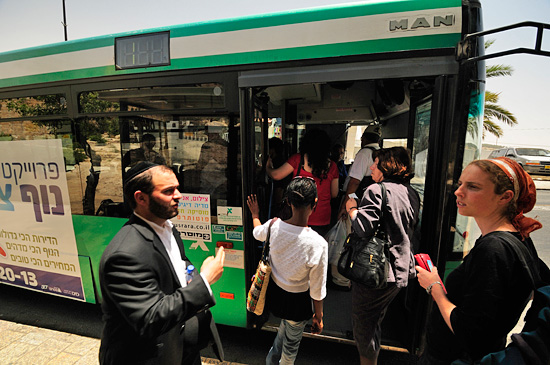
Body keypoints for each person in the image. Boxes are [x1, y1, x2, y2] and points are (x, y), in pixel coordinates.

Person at [416, 157, 544, 364]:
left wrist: (434, 286)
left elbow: (470, 333)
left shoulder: (493, 249)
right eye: (460, 184)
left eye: (473, 187)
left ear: (505, 197)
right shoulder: (518, 237)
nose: (459, 192)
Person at [99, 161, 225, 365]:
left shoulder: (168, 228)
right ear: (141, 198)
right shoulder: (124, 255)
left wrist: (193, 274)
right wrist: (205, 281)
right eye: (168, 191)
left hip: (181, 349)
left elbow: (179, 269)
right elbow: (151, 318)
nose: (178, 195)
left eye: (177, 188)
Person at [344, 146, 420, 365]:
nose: (371, 167)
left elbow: (362, 228)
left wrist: (352, 209)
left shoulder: (376, 190)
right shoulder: (410, 192)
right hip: (400, 269)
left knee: (364, 326)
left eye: (375, 163)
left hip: (376, 272)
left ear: (387, 166)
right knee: (375, 318)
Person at [247, 176, 328, 365]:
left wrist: (255, 214)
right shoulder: (318, 244)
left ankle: (271, 360)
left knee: (285, 330)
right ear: (314, 203)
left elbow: (256, 233)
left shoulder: (273, 226)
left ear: (289, 201)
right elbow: (317, 289)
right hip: (297, 304)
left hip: (275, 297)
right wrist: (318, 317)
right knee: (290, 348)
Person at [266, 129, 339, 237]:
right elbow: (334, 193)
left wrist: (268, 167)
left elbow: (276, 175)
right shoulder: (332, 166)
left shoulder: (297, 160)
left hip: (297, 217)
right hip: (322, 218)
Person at [338, 124, 382, 219]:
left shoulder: (364, 153)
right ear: (378, 140)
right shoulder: (381, 152)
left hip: (356, 198)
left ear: (364, 139)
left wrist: (344, 206)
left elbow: (354, 182)